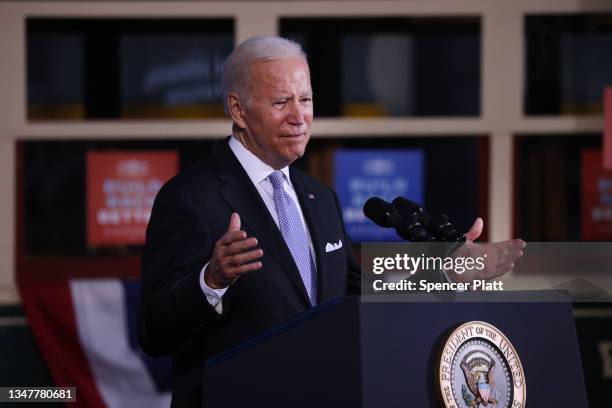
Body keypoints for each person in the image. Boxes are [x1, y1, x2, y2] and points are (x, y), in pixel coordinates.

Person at [138, 36, 524, 407]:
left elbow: (358, 298)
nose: (299, 116)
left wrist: (446, 273)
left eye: (305, 99)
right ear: (238, 110)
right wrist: (211, 280)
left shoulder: (319, 197)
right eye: (280, 102)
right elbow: (154, 332)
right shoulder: (190, 197)